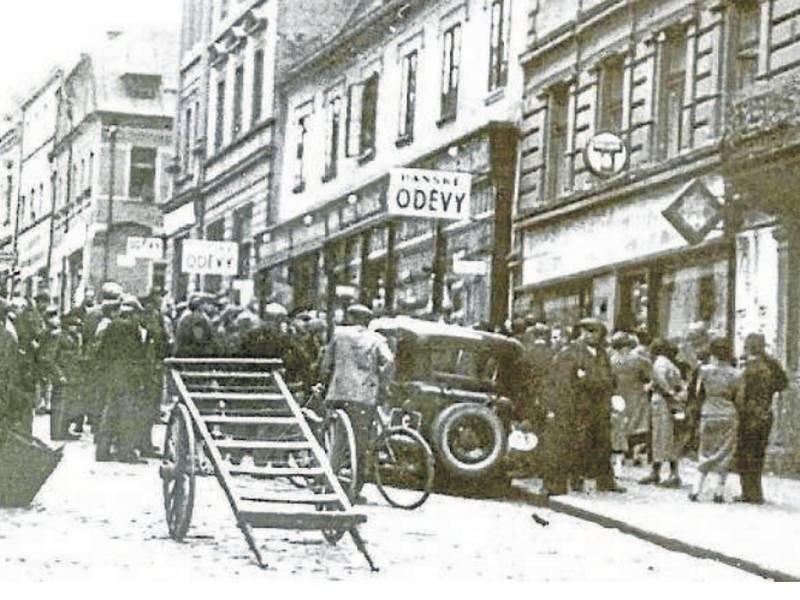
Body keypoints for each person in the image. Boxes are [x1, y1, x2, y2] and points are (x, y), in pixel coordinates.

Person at [320, 303, 394, 497]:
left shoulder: (339, 334)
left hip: (339, 393)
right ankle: (356, 488)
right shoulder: (376, 339)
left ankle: (329, 482)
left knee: (338, 440)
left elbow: (326, 363)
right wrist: (381, 385)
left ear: (350, 318)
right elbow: (389, 362)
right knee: (361, 442)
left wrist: (324, 381)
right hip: (364, 396)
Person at [550, 317, 625, 493]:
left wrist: (592, 381)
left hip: (601, 406)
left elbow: (609, 378)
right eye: (585, 330)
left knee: (603, 443)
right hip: (581, 406)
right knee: (579, 443)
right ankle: (576, 479)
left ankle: (605, 480)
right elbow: (566, 381)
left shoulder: (602, 354)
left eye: (593, 331)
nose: (589, 335)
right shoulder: (570, 352)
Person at [735, 333, 787, 504]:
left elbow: (741, 394)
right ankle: (756, 492)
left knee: (743, 453)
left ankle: (747, 492)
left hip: (748, 414)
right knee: (758, 453)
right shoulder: (771, 364)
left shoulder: (747, 367)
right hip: (765, 413)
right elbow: (783, 384)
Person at [690, 337, 741, 502]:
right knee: (725, 452)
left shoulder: (704, 371)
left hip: (708, 412)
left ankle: (696, 489)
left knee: (705, 450)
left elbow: (698, 393)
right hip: (728, 413)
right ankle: (719, 492)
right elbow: (739, 398)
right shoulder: (737, 374)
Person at [640, 338, 684, 487]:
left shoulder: (659, 363)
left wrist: (669, 393)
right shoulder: (671, 364)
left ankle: (667, 473)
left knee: (660, 437)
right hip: (670, 402)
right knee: (667, 437)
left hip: (661, 402)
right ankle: (661, 471)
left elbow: (659, 380)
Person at [609, 331, 652, 465]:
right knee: (639, 424)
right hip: (637, 394)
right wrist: (647, 387)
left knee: (620, 425)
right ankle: (635, 454)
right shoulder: (638, 359)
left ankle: (620, 454)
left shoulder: (611, 360)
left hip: (618, 396)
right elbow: (651, 376)